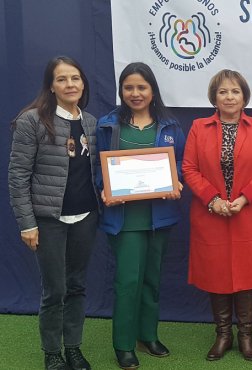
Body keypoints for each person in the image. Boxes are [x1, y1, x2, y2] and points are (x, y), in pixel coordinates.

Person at [9, 56, 98, 370]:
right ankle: (52, 352)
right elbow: (18, 176)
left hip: (85, 218)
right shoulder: (32, 121)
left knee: (76, 286)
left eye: (75, 78)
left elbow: (94, 172)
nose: (70, 84)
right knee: (55, 290)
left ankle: (73, 348)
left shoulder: (91, 122)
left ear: (83, 82)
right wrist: (27, 224)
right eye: (62, 79)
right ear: (51, 85)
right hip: (49, 221)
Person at [95, 62, 185, 370]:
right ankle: (124, 344)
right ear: (121, 91)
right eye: (129, 87)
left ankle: (148, 335)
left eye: (142, 87)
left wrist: (176, 180)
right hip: (124, 219)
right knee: (128, 281)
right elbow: (98, 166)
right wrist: (104, 188)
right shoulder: (108, 125)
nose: (135, 93)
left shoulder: (169, 126)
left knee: (152, 279)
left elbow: (180, 162)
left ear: (152, 90)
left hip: (159, 216)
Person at [183, 69, 252, 362]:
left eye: (235, 91)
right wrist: (213, 200)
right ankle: (223, 334)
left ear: (244, 97)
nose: (229, 97)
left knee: (247, 274)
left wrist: (244, 198)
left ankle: (246, 335)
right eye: (223, 92)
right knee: (216, 273)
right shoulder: (198, 127)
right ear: (214, 97)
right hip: (210, 214)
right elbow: (189, 169)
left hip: (248, 213)